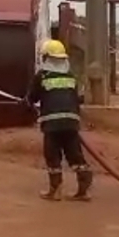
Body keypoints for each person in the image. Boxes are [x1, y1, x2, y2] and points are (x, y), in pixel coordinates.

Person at [24, 39, 92, 201]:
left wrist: (26, 102)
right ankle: (84, 190)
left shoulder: (42, 76)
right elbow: (75, 98)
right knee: (75, 155)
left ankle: (55, 191)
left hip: (52, 124)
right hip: (71, 122)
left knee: (52, 156)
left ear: (46, 57)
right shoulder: (71, 77)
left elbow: (32, 98)